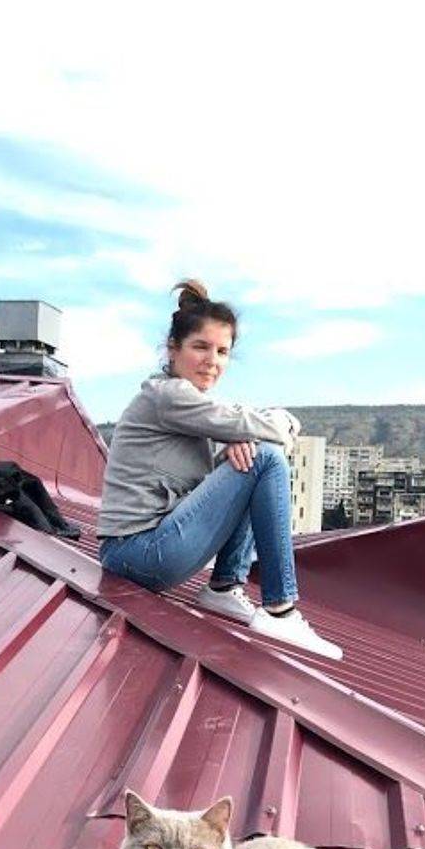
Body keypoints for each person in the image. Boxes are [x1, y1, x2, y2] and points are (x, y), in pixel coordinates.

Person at [97, 280, 343, 661]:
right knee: (265, 457)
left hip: (140, 552)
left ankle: (224, 586)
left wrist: (231, 451)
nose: (212, 360)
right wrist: (285, 422)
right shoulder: (168, 395)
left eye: (222, 351)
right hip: (136, 552)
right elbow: (255, 425)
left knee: (246, 456)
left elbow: (200, 482)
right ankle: (280, 609)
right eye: (201, 346)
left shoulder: (185, 403)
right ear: (173, 348)